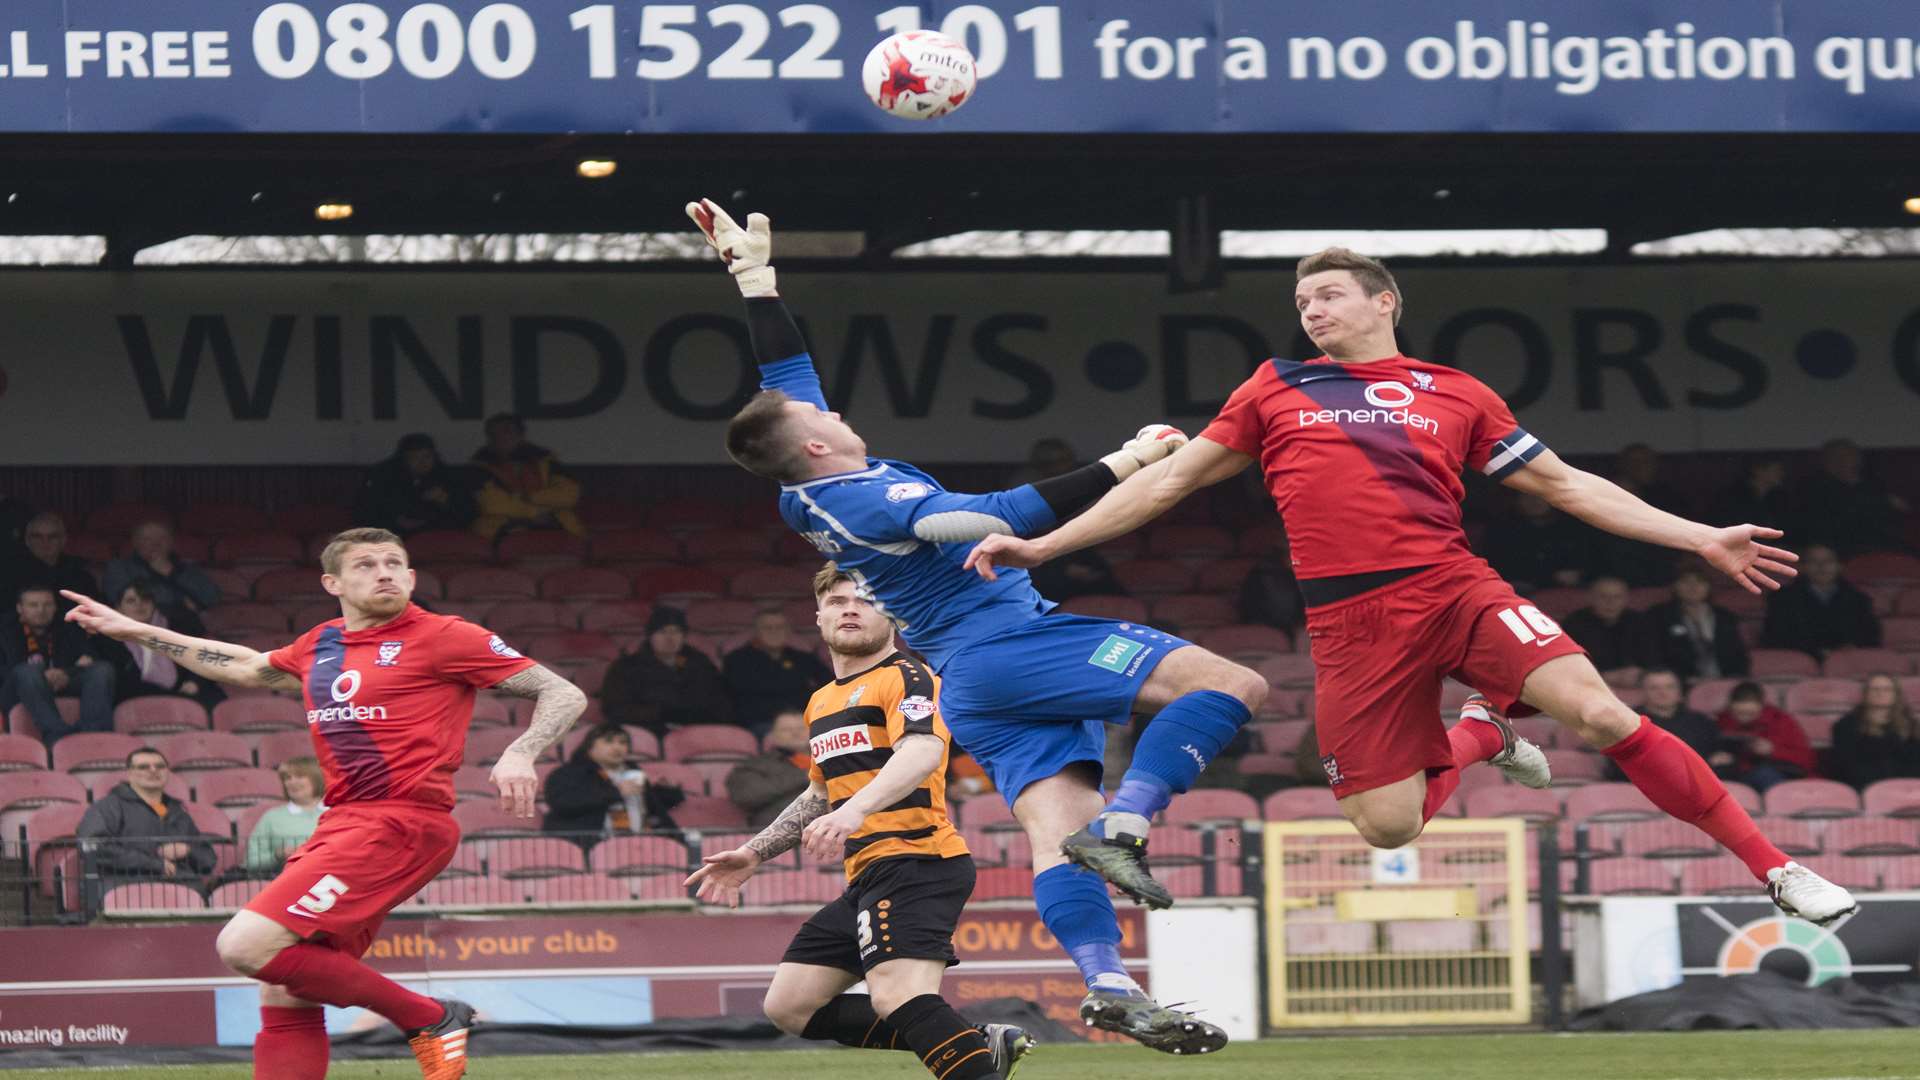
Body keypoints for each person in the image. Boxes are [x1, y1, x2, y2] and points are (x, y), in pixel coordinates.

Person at [966, 244, 1856, 927]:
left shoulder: (1455, 391)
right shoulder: (1275, 388)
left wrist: (1700, 536)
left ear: (1384, 301)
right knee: (1388, 827)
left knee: (1602, 715)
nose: (1311, 310)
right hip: (1349, 622)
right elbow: (1167, 481)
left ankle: (1775, 868)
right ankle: (1478, 734)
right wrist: (1046, 545)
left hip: (1452, 586)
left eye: (1329, 294)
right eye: (1302, 301)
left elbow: (1566, 485)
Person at [694, 198, 1247, 1052]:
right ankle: (1133, 824)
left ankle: (1105, 983)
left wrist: (754, 279)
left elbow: (786, 374)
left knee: (1057, 842)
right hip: (1008, 645)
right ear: (812, 446)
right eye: (823, 418)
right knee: (1232, 685)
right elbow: (997, 512)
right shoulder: (867, 495)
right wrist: (1132, 458)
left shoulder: (799, 481)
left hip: (975, 684)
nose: (833, 411)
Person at [64, 526, 588, 1080]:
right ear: (332, 581)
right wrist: (134, 630)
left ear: (411, 578)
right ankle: (430, 1020)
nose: (384, 572)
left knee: (245, 945)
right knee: (286, 989)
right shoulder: (322, 643)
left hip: (398, 821)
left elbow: (562, 691)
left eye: (394, 563)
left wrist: (520, 752)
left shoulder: (445, 635)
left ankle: (430, 1017)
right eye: (366, 564)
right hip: (345, 822)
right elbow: (245, 666)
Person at [688, 566, 1034, 1080]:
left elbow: (921, 749)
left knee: (896, 995)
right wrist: (753, 853)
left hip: (919, 860)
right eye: (838, 600)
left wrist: (854, 811)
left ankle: (970, 1060)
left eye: (866, 600)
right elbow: (818, 793)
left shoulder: (908, 676)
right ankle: (971, 1042)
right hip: (869, 874)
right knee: (790, 1007)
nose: (851, 608)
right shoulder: (820, 701)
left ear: (891, 614)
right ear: (820, 615)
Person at [76, 746, 219, 891]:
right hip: (124, 889)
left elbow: (208, 860)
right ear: (129, 774)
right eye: (143, 767)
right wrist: (154, 864)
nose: (153, 770)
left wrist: (188, 850)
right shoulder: (108, 807)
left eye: (160, 766)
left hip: (181, 890)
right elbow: (91, 847)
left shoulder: (177, 812)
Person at [1, 584, 116, 745]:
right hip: (19, 688)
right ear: (20, 608)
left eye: (47, 605)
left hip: (64, 680)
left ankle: (94, 734)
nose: (41, 610)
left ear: (55, 607)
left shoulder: (67, 627)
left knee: (102, 670)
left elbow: (91, 658)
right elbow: (7, 672)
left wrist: (66, 673)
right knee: (26, 672)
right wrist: (40, 675)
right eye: (33, 605)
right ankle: (58, 736)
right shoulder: (6, 631)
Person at [600, 605, 731, 735]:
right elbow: (616, 709)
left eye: (676, 631)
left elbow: (720, 700)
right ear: (650, 635)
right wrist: (661, 713)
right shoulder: (626, 667)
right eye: (662, 631)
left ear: (684, 636)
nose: (670, 638)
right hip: (646, 731)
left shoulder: (700, 663)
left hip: (698, 731)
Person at [96, 581, 226, 711]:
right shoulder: (107, 639)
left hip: (183, 692)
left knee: (214, 698)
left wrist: (194, 682)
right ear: (118, 609)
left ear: (154, 604)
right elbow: (120, 683)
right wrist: (173, 696)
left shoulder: (178, 628)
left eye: (145, 599)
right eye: (131, 601)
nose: (139, 604)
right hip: (136, 699)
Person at [470, 414, 585, 542]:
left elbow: (569, 495)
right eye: (493, 434)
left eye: (507, 431)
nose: (500, 437)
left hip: (556, 526)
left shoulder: (546, 460)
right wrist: (535, 513)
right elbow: (492, 504)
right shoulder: (478, 467)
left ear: (521, 435)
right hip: (506, 531)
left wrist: (530, 497)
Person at [542, 723, 662, 841]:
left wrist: (670, 792)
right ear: (590, 747)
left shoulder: (634, 771)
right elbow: (562, 802)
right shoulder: (568, 772)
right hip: (591, 846)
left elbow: (653, 807)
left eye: (623, 743)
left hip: (642, 845)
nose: (617, 747)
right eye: (608, 741)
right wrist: (616, 792)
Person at [1762, 543, 1882, 660]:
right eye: (1813, 561)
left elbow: (1870, 637)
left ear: (1840, 566)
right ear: (1803, 567)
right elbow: (1775, 638)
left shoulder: (1859, 600)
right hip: (1798, 661)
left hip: (1849, 662)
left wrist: (1846, 650)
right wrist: (1815, 652)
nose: (1821, 566)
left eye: (1828, 561)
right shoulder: (1781, 599)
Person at [1606, 670, 1729, 781]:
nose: (1662, 692)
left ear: (1680, 691)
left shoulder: (1701, 721)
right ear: (1643, 691)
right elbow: (1619, 766)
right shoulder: (1627, 722)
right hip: (1645, 786)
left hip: (1697, 784)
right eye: (1654, 688)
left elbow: (1718, 753)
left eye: (1670, 687)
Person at [723, 611, 832, 737]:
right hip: (762, 723)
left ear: (788, 631)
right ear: (756, 631)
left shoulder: (803, 658)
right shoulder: (737, 659)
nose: (774, 631)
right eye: (768, 628)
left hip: (803, 719)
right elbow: (743, 698)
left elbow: (829, 685)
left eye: (780, 627)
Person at [1795, 438, 1908, 556]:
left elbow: (1898, 509)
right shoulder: (1814, 486)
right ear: (1826, 461)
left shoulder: (1872, 484)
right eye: (1836, 457)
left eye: (1849, 456)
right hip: (1837, 544)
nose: (1843, 461)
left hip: (1877, 541)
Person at [353, 434, 479, 538]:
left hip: (437, 534)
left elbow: (469, 512)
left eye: (427, 456)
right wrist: (396, 519)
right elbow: (366, 510)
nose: (422, 463)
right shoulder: (384, 476)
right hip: (394, 535)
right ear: (403, 459)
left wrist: (445, 500)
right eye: (414, 458)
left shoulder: (448, 477)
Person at [1646, 566, 1751, 681]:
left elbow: (1738, 654)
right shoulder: (1659, 616)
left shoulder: (1724, 617)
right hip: (1679, 681)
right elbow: (1654, 654)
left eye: (1700, 581)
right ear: (1675, 586)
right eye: (1685, 581)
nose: (1693, 586)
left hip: (1723, 679)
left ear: (1709, 587)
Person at [1480, 492, 1596, 594]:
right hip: (1516, 593)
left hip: (1567, 591)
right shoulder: (1502, 530)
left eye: (1539, 495)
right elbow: (1497, 566)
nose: (1534, 501)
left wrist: (1577, 573)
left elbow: (1585, 564)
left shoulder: (1573, 528)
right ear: (1517, 500)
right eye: (1526, 495)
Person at [101, 521, 222, 616]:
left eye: (162, 538)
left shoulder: (186, 567)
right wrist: (182, 600)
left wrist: (171, 571)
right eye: (147, 539)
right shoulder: (120, 567)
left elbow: (212, 597)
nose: (156, 544)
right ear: (135, 542)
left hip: (186, 630)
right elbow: (125, 600)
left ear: (171, 542)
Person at [1713, 682, 1816, 792]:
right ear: (1730, 708)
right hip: (1734, 771)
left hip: (1774, 772)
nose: (1745, 718)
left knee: (1764, 774)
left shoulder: (1781, 722)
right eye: (1739, 713)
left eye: (1750, 714)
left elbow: (1805, 759)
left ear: (1761, 707)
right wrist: (1718, 757)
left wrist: (1772, 751)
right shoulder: (1722, 721)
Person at [1558, 577, 1661, 687]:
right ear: (1590, 598)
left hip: (1638, 684)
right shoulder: (1574, 624)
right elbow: (1568, 665)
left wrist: (1641, 674)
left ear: (1627, 599)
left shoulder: (1639, 622)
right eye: (1603, 597)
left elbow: (1654, 658)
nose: (1610, 602)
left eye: (1617, 597)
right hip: (1588, 685)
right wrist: (1605, 676)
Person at [1825, 674, 1920, 790]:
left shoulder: (1910, 724)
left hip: (1905, 787)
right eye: (1875, 689)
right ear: (1865, 694)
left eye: (1887, 689)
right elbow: (1846, 765)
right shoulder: (1845, 725)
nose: (1880, 693)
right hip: (1862, 787)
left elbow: (1915, 761)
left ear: (1896, 694)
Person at [725, 709, 815, 828]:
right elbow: (747, 795)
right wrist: (805, 776)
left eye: (801, 728)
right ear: (773, 736)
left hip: (832, 831)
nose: (796, 733)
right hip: (780, 834)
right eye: (786, 730)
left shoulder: (829, 759)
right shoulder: (754, 765)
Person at [4, 512, 99, 613]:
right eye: (37, 536)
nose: (45, 542)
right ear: (27, 540)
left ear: (63, 540)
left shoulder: (80, 574)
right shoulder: (9, 574)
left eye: (53, 536)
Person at [246, 757, 327, 872]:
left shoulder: (338, 813)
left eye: (299, 776)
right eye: (287, 778)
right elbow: (251, 862)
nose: (292, 782)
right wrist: (277, 856)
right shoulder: (271, 817)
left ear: (317, 779)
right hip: (287, 881)